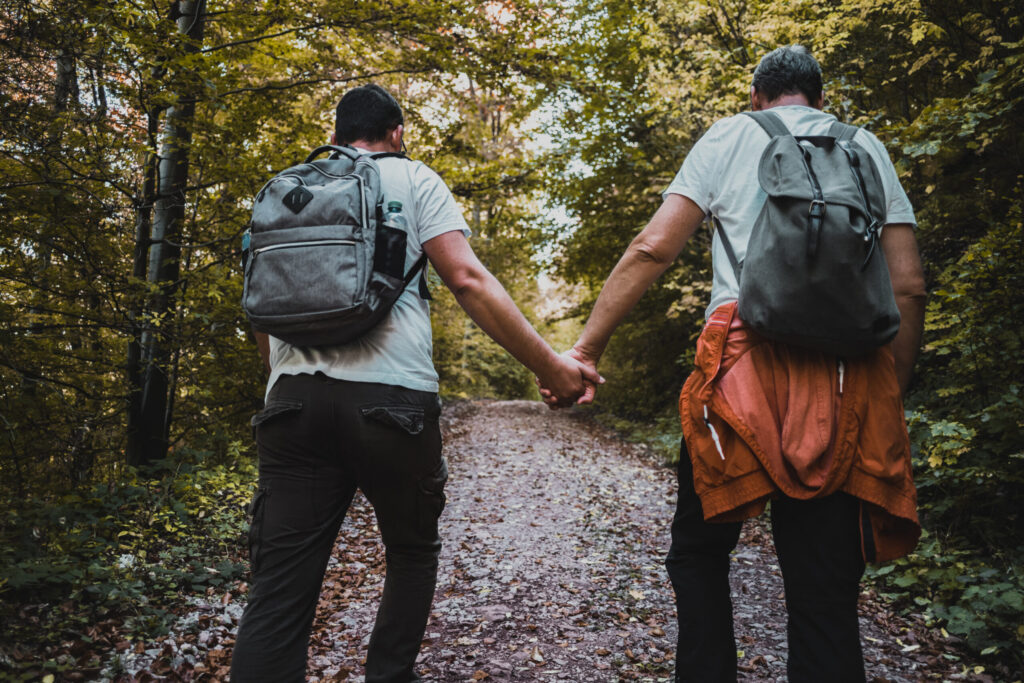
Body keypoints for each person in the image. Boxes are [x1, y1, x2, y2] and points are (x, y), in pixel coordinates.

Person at [541, 46, 927, 681]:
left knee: (699, 550)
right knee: (824, 583)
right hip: (846, 375)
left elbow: (652, 248)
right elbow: (908, 286)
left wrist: (584, 351)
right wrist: (889, 389)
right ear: (820, 98)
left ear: (756, 96)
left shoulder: (729, 136)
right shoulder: (864, 146)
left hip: (737, 368)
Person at [230, 83, 600, 683]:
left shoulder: (289, 190)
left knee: (278, 588)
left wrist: (283, 383)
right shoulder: (413, 178)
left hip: (291, 403)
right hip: (391, 404)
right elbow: (469, 281)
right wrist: (553, 369)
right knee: (409, 551)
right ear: (397, 134)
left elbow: (259, 308)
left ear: (334, 135)